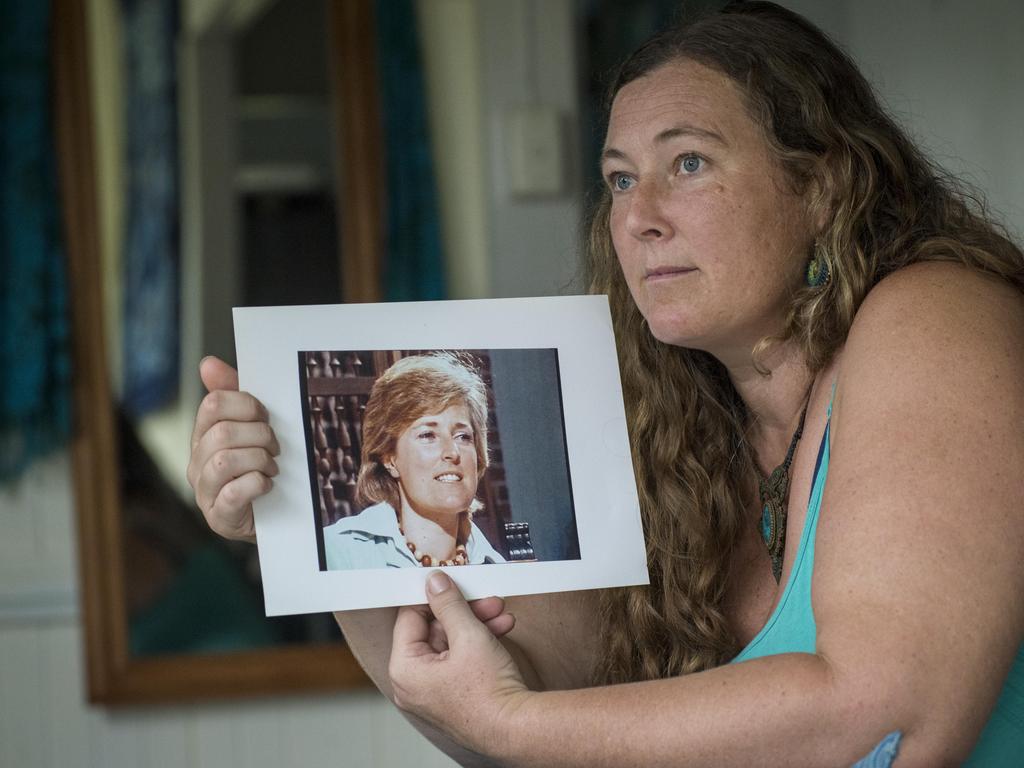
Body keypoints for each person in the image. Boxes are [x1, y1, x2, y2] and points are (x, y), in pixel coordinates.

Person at [187, 2, 1024, 765]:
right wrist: (294, 502)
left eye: (688, 163)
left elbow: (886, 713)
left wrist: (508, 719)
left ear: (823, 184)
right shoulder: (668, 429)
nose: (638, 215)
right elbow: (542, 724)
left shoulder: (938, 315)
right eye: (620, 178)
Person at [320, 353, 505, 570]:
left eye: (463, 436)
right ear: (389, 458)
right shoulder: (336, 554)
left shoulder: (497, 565)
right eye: (428, 435)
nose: (452, 452)